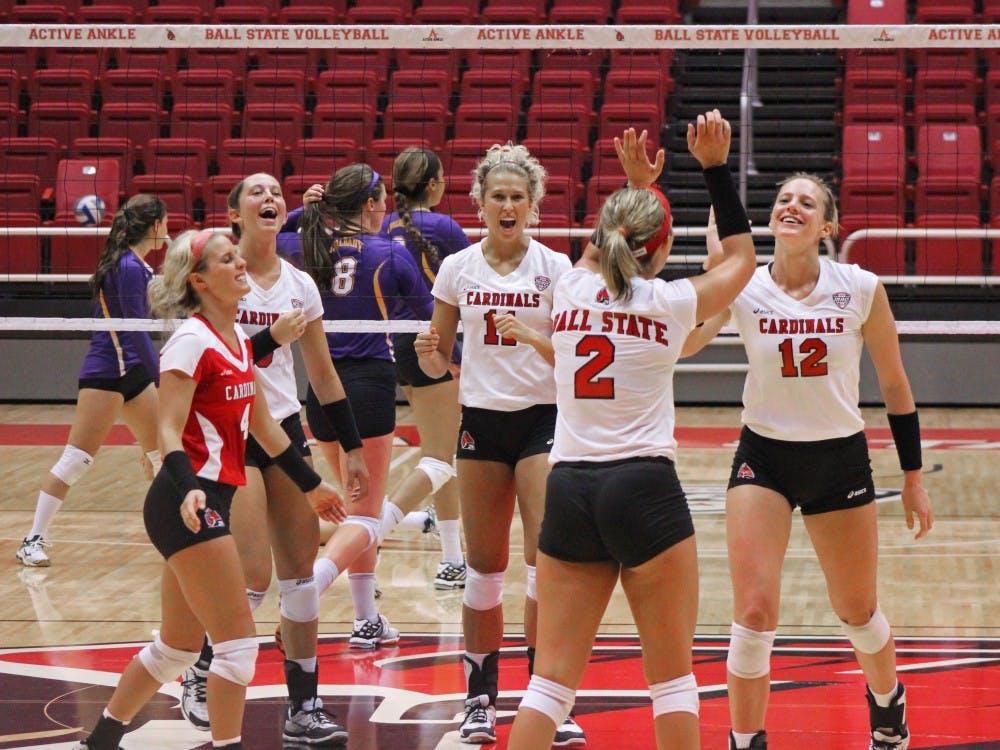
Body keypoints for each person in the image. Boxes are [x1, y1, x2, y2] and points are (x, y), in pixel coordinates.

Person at [507, 114, 757, 750]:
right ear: (663, 250)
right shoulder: (670, 303)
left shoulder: (568, 288)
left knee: (549, 686)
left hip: (569, 488)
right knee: (672, 682)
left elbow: (606, 244)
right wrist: (714, 168)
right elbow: (745, 258)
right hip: (643, 487)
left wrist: (636, 188)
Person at [682, 169, 935, 749]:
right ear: (770, 218)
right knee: (751, 612)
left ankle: (888, 704)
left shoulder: (861, 287)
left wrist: (913, 477)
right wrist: (708, 273)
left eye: (806, 202)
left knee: (857, 612)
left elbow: (896, 387)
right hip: (762, 458)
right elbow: (691, 340)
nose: (791, 207)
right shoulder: (741, 285)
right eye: (782, 200)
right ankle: (745, 740)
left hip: (838, 460)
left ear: (828, 226)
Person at [74, 229, 347, 750]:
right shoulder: (191, 342)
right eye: (227, 259)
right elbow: (168, 429)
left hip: (208, 497)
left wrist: (311, 487)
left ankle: (102, 739)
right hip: (187, 500)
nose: (240, 262)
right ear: (199, 281)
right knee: (238, 648)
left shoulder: (240, 340)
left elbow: (265, 428)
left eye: (237, 255)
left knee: (175, 650)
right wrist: (187, 489)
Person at [178, 173, 370, 746]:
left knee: (301, 579)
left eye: (276, 193)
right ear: (234, 215)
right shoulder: (219, 279)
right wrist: (270, 339)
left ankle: (304, 705)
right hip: (229, 432)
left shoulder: (299, 286)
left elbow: (324, 373)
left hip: (284, 428)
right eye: (256, 193)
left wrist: (353, 448)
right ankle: (201, 666)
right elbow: (222, 355)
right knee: (254, 576)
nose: (270, 198)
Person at [414, 142, 585, 746]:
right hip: (481, 422)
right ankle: (480, 699)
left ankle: (548, 700)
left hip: (542, 420)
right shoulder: (458, 268)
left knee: (547, 566)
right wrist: (430, 354)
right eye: (498, 196)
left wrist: (529, 338)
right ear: (480, 204)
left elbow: (573, 353)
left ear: (534, 205)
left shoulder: (558, 269)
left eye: (518, 196)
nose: (508, 205)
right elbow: (438, 359)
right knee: (485, 572)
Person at [298, 162, 434, 649]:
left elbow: (272, 237)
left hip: (320, 391)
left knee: (358, 510)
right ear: (373, 205)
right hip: (369, 388)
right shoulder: (391, 255)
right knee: (366, 516)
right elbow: (431, 316)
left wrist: (308, 208)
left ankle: (366, 619)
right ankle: (308, 590)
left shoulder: (309, 248)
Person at [17, 195, 168, 567]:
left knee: (162, 456)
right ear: (153, 226)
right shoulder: (129, 267)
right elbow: (134, 332)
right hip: (106, 373)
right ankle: (32, 539)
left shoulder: (136, 266)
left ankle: (178, 533)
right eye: (165, 222)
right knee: (77, 460)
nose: (168, 228)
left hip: (132, 372)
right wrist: (164, 379)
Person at [380, 146, 471, 589]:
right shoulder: (446, 227)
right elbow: (474, 282)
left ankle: (454, 560)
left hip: (399, 346)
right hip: (438, 343)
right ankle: (371, 533)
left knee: (446, 454)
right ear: (433, 186)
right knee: (440, 457)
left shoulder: (385, 225)